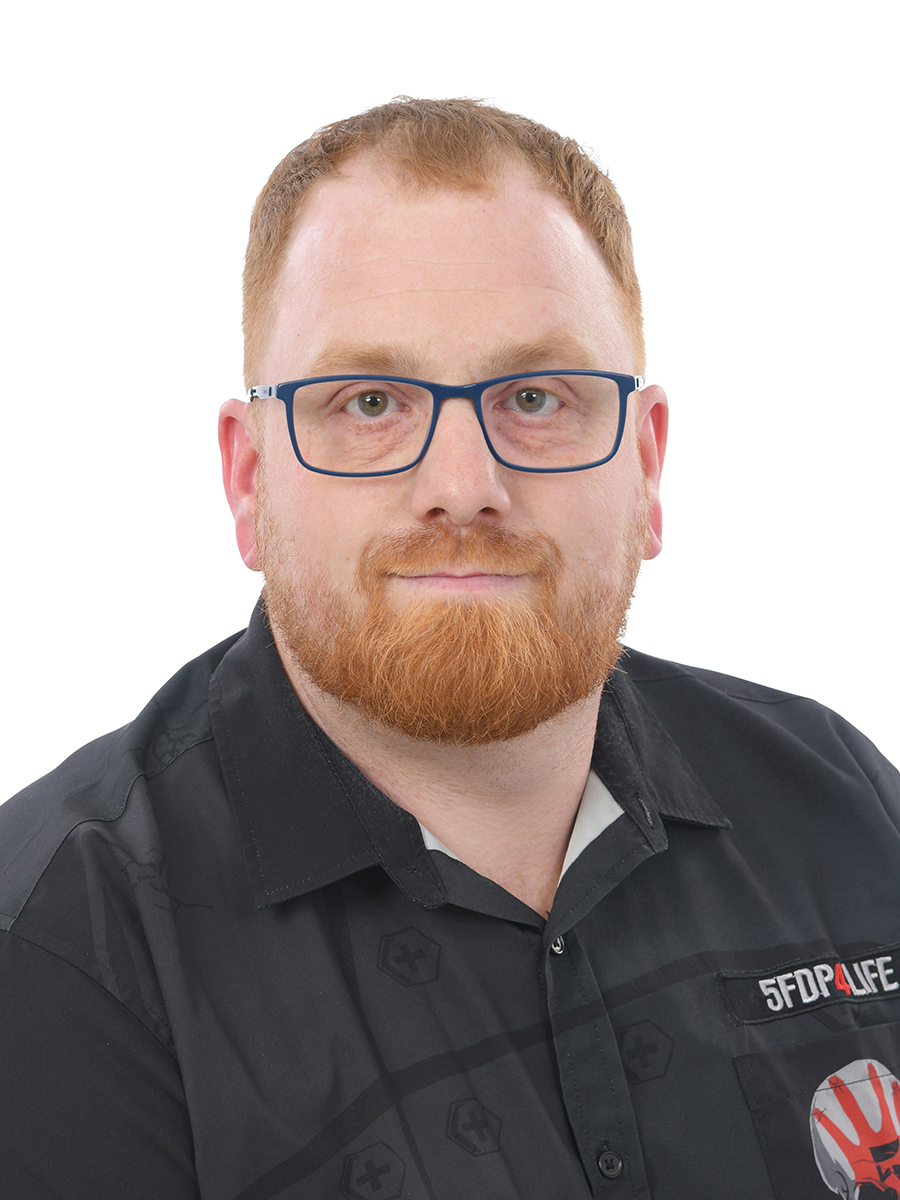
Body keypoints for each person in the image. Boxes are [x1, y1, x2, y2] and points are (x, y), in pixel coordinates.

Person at [1, 98, 898, 1200]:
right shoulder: (62, 949)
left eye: (537, 397)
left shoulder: (844, 803)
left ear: (648, 466)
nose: (464, 486)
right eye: (370, 401)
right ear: (248, 481)